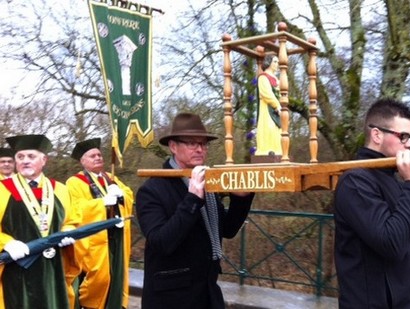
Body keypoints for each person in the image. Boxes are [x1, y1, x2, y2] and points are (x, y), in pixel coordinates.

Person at [136, 113, 255, 309]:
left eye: (203, 144)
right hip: (171, 299)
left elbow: (227, 229)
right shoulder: (152, 190)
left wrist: (240, 199)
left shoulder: (206, 183)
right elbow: (161, 243)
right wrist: (192, 199)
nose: (200, 149)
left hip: (207, 294)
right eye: (192, 143)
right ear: (173, 147)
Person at [333, 98, 410, 308]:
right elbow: (391, 244)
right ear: (376, 134)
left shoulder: (395, 180)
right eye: (403, 136)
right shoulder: (355, 182)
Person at [0, 134, 79, 309]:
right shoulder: (2, 189)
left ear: (44, 160)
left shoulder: (60, 189)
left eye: (31, 156)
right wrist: (7, 243)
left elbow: (71, 220)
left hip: (53, 267)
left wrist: (68, 232)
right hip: (17, 268)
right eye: (20, 157)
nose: (25, 161)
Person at [66, 138, 134, 309]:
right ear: (83, 161)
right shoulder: (74, 182)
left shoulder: (110, 177)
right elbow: (75, 209)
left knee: (117, 275)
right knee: (100, 278)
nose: (98, 158)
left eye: (99, 154)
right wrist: (101, 203)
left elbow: (128, 194)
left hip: (115, 238)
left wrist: (120, 195)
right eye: (92, 156)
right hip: (94, 242)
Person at [255, 54, 282, 156]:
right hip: (267, 111)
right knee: (269, 128)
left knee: (278, 131)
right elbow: (266, 93)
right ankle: (266, 151)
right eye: (275, 62)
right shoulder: (263, 77)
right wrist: (277, 105)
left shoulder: (276, 79)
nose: (277, 64)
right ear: (268, 63)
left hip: (277, 110)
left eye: (277, 62)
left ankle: (278, 151)